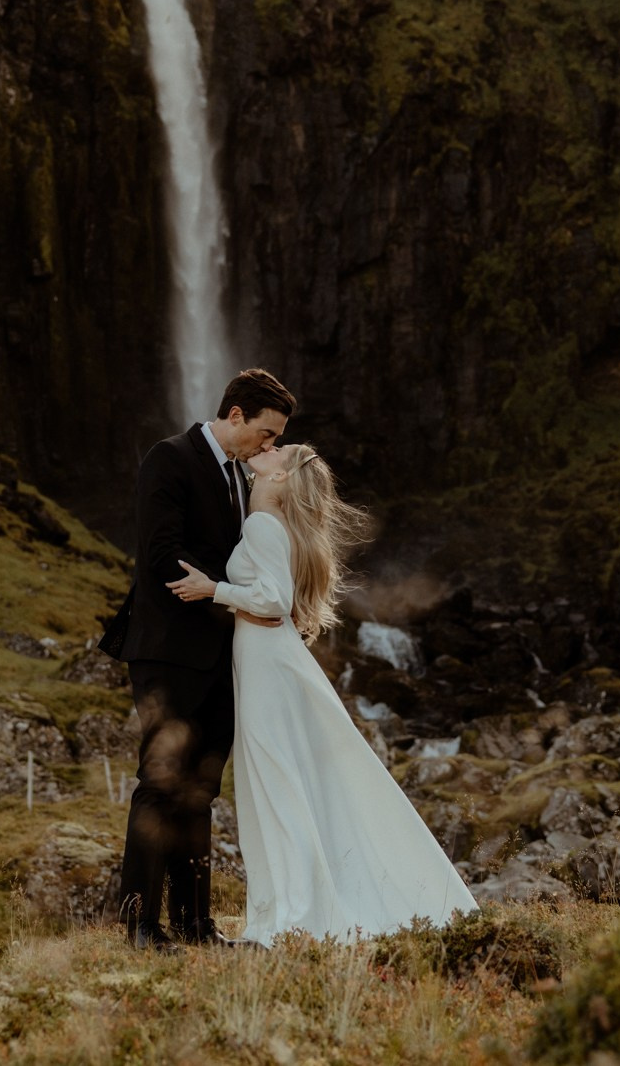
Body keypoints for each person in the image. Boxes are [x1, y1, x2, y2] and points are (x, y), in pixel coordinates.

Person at [168, 443, 478, 943]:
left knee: (277, 781)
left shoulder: (264, 524)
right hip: (271, 659)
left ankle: (294, 914)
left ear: (285, 478)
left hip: (269, 662)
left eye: (279, 449)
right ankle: (297, 905)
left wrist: (213, 589)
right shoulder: (271, 522)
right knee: (288, 779)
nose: (266, 447)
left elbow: (273, 601)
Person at [115, 368, 295, 949]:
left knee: (201, 790)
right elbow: (161, 555)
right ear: (236, 414)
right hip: (168, 651)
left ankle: (196, 925)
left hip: (222, 654)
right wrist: (230, 596)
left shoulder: (241, 480)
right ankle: (141, 925)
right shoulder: (169, 459)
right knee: (161, 783)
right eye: (266, 435)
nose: (268, 448)